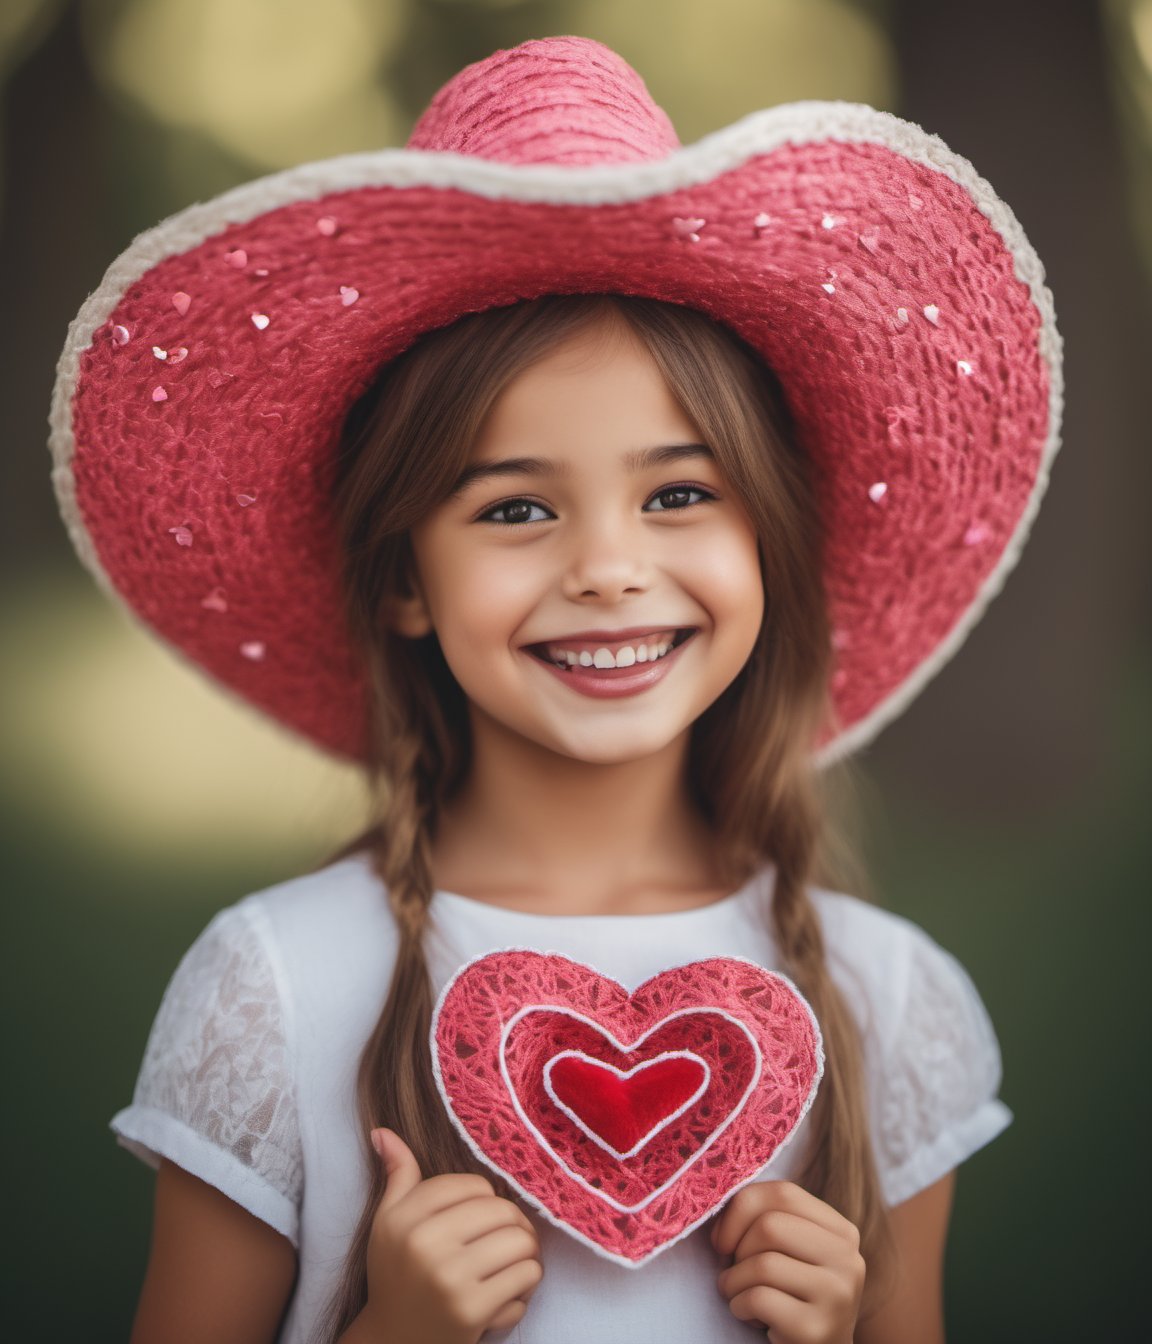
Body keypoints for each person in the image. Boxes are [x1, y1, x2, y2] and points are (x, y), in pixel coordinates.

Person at [49, 36, 1060, 1344]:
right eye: (516, 507)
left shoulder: (889, 1002)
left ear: (769, 542)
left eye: (680, 493)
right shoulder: (279, 988)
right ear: (405, 579)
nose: (607, 569)